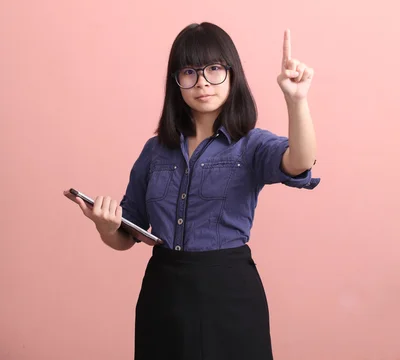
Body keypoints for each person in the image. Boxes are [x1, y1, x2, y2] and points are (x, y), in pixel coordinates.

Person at [76, 22, 320, 360]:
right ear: (176, 82)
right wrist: (106, 227)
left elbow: (299, 162)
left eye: (214, 69)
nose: (202, 81)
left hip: (229, 293)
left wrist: (297, 101)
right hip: (163, 293)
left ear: (232, 74)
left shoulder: (251, 145)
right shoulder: (154, 151)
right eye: (189, 71)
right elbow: (127, 234)